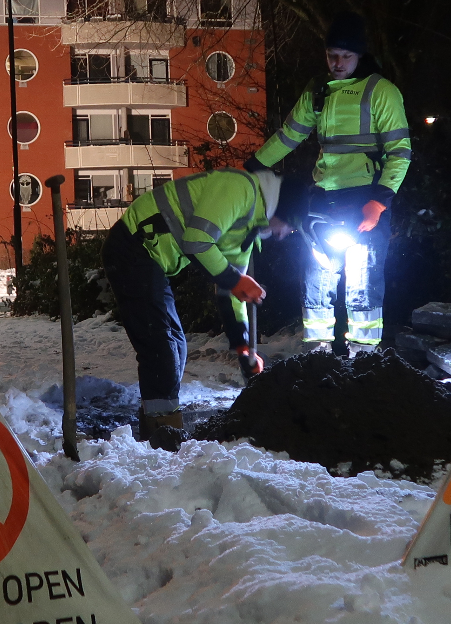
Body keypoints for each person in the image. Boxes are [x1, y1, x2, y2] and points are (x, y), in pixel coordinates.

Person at [104, 168, 304, 450]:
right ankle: (163, 438)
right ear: (282, 209)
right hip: (132, 246)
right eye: (290, 226)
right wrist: (236, 280)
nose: (284, 235)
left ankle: (158, 428)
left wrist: (243, 349)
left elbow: (230, 293)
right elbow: (197, 241)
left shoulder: (248, 230)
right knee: (161, 347)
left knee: (173, 346)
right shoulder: (240, 189)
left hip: (149, 258)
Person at [247, 11, 412, 349]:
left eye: (346, 56)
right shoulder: (318, 92)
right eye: (331, 55)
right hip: (323, 201)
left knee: (363, 283)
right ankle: (316, 356)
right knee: (317, 281)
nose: (337, 63)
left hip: (365, 201)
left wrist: (379, 202)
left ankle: (363, 360)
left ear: (360, 55)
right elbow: (289, 136)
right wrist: (252, 165)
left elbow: (400, 152)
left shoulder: (382, 92)